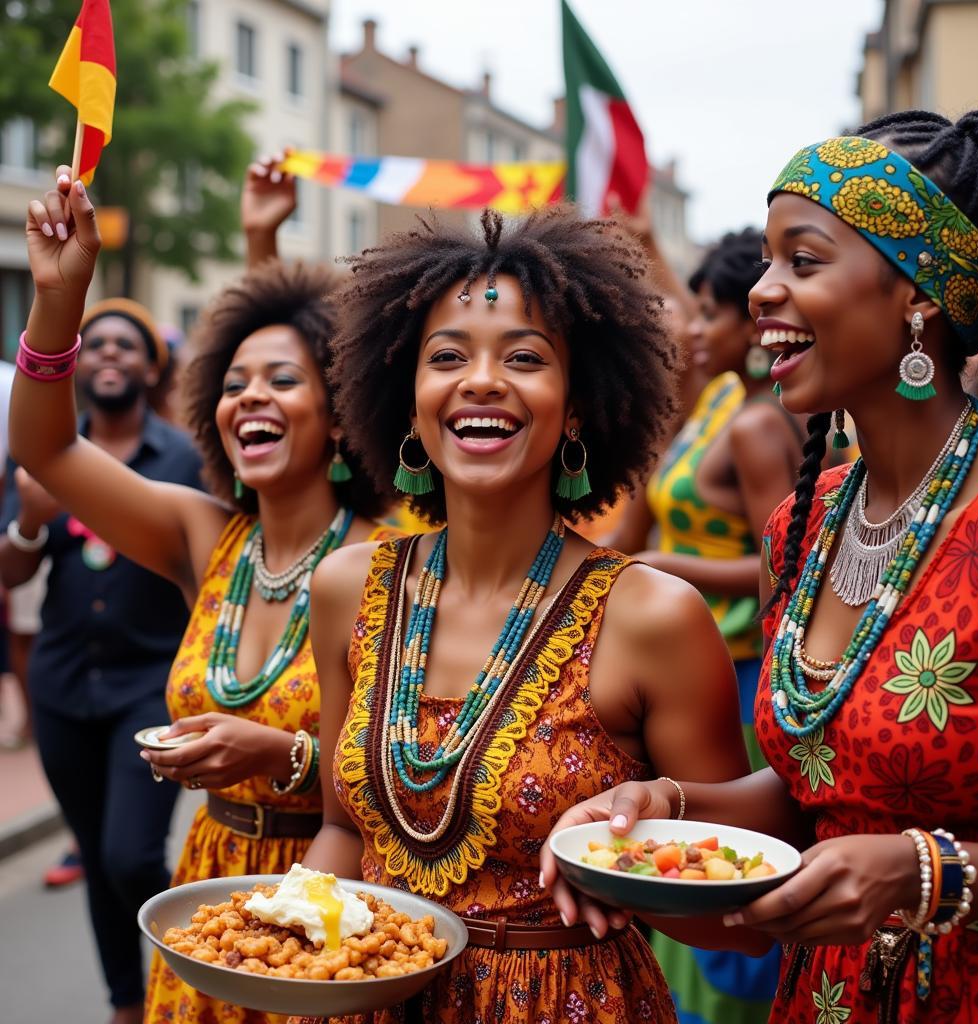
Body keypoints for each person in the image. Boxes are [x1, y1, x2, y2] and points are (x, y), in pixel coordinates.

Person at [542, 109, 978, 1023]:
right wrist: (666, 803)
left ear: (919, 294)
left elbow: (890, 846)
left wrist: (924, 874)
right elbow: (822, 795)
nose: (763, 291)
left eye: (802, 261)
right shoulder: (802, 525)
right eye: (766, 260)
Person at [294, 205, 760, 1024]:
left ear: (576, 406)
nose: (481, 379)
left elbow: (737, 918)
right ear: (408, 402)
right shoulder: (345, 589)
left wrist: (621, 868)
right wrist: (289, 937)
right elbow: (343, 833)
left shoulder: (652, 617)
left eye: (524, 357)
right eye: (447, 357)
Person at [16, 166, 392, 1024]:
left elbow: (405, 777)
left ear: (339, 416)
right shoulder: (203, 535)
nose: (251, 395)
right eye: (233, 384)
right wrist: (58, 297)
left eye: (283, 381)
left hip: (345, 907)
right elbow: (43, 447)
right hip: (212, 890)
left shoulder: (390, 559)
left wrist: (278, 756)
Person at [608, 227, 804, 1024]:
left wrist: (667, 567)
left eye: (713, 313)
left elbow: (783, 567)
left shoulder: (757, 425)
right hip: (684, 667)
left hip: (739, 669)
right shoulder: (714, 407)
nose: (698, 327)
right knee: (673, 862)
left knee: (719, 873)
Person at [0, 295, 203, 1023]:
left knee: (128, 855)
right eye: (97, 344)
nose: (109, 354)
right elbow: (10, 574)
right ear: (78, 363)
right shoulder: (42, 452)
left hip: (149, 687)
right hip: (61, 687)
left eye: (127, 346)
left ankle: (187, 975)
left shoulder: (183, 459)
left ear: (151, 368)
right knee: (93, 850)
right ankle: (126, 1001)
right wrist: (28, 517)